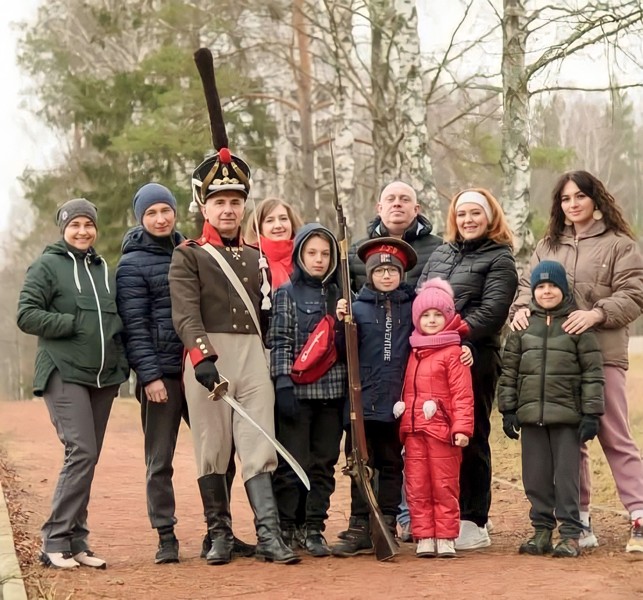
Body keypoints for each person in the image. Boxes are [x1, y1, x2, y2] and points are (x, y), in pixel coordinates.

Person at [168, 143, 299, 564]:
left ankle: (269, 536)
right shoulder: (188, 254)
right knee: (214, 445)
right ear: (204, 208)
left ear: (244, 208)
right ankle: (219, 534)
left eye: (235, 202)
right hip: (208, 356)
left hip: (252, 356)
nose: (228, 209)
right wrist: (201, 357)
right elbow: (185, 313)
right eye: (220, 202)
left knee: (259, 442)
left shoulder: (256, 258)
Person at [510, 170, 643, 553]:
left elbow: (635, 293)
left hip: (603, 355)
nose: (573, 204)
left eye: (579, 196)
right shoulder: (546, 245)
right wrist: (520, 309)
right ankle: (578, 520)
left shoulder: (620, 245)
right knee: (572, 441)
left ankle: (638, 513)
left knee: (614, 435)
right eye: (566, 199)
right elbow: (526, 288)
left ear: (596, 201)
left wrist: (597, 313)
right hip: (556, 362)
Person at [17, 198, 129, 569]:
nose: (83, 231)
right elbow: (26, 314)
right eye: (75, 224)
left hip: (102, 377)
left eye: (88, 225)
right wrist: (71, 324)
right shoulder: (48, 265)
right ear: (63, 228)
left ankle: (77, 541)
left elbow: (115, 322)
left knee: (88, 456)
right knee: (80, 451)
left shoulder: (103, 269)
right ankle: (54, 540)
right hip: (62, 372)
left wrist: (120, 361)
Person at [418, 188, 518, 550]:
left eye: (476, 213)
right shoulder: (442, 253)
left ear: (490, 217)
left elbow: (492, 311)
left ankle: (474, 519)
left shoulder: (500, 259)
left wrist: (451, 334)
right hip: (433, 357)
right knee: (438, 435)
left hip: (473, 357)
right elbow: (422, 294)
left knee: (471, 433)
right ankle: (442, 516)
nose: (468, 220)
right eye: (462, 215)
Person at [499, 260, 604, 558]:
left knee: (567, 477)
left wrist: (591, 414)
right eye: (541, 286)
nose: (546, 291)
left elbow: (593, 374)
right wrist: (508, 410)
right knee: (535, 476)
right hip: (531, 416)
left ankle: (570, 534)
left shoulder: (577, 326)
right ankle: (541, 530)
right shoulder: (521, 326)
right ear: (533, 291)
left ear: (564, 289)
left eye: (553, 286)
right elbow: (509, 372)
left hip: (567, 418)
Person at [331, 237, 417, 556]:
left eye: (392, 270)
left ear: (401, 273)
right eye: (379, 270)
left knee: (392, 464)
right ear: (368, 274)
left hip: (396, 403)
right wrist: (342, 326)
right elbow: (341, 352)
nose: (385, 276)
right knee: (359, 464)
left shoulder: (412, 305)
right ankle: (359, 525)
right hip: (360, 403)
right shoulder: (356, 307)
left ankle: (388, 521)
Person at [267, 224, 346, 557]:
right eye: (312, 253)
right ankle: (288, 525)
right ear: (300, 254)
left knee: (323, 464)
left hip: (332, 394)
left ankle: (314, 527)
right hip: (297, 394)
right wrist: (282, 384)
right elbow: (280, 340)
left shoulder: (342, 296)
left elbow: (347, 349)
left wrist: (343, 322)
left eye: (325, 254)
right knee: (291, 465)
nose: (319, 259)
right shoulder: (286, 292)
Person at [393, 278, 474, 558]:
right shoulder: (413, 350)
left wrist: (462, 427)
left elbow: (462, 395)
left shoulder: (454, 353)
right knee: (417, 484)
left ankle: (446, 536)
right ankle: (424, 534)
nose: (431, 320)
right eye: (425, 315)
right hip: (414, 430)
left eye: (437, 314)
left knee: (444, 484)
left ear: (448, 317)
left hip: (442, 431)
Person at [348, 181, 442, 291]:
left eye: (405, 199)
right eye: (390, 199)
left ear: (416, 209)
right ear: (379, 209)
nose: (397, 204)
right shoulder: (358, 251)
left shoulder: (439, 249)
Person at [244, 197, 303, 290]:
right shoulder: (250, 261)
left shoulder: (306, 257)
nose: (278, 225)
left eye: (283, 218)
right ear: (258, 228)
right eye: (270, 220)